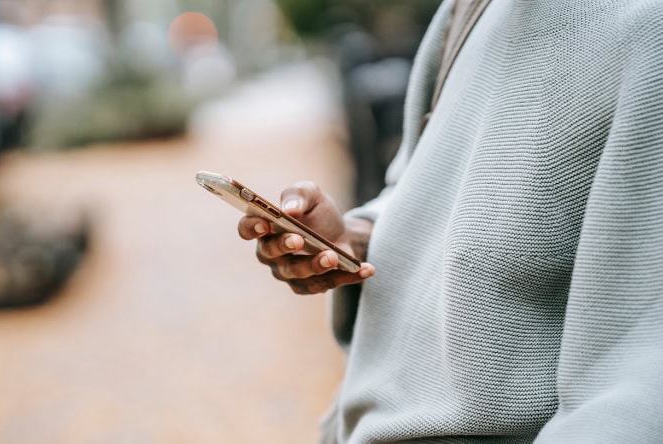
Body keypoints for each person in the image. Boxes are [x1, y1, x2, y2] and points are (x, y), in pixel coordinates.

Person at [238, 0, 663, 442]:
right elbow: (432, 186)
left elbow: (643, 370)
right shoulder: (467, 7)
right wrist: (356, 238)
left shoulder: (647, 29)